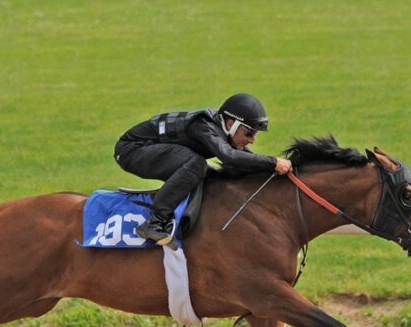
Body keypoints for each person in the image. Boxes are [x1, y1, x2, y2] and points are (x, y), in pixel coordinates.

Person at [114, 93, 292, 245]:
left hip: (150, 148)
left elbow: (243, 161)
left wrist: (271, 171)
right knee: (197, 164)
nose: (252, 140)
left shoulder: (220, 127)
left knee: (208, 172)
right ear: (231, 124)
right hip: (131, 150)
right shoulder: (203, 126)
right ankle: (155, 222)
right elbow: (229, 156)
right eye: (249, 133)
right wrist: (272, 162)